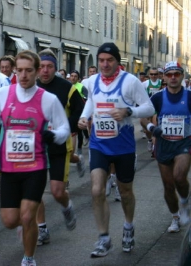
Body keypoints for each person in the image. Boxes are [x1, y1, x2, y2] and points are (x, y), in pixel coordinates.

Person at [0, 50, 70, 266]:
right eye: (19, 70)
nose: (23, 75)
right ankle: (25, 226)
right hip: (9, 168)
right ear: (15, 71)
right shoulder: (3, 94)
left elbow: (65, 128)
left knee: (27, 216)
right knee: (10, 221)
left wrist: (55, 136)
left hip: (35, 166)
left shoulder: (48, 99)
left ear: (37, 71)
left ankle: (28, 259)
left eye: (28, 71)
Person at [77, 42, 154, 257]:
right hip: (99, 144)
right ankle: (104, 238)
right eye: (101, 60)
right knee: (96, 190)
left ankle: (128, 226)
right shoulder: (92, 81)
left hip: (123, 146)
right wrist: (84, 117)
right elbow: (91, 101)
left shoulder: (130, 82)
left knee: (125, 191)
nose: (104, 64)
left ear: (117, 61)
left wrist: (128, 111)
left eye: (109, 60)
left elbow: (149, 107)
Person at [35, 48, 84, 246]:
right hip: (35, 146)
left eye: (49, 67)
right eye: (41, 67)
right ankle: (42, 229)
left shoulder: (67, 88)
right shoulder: (31, 86)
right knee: (35, 191)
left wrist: (62, 129)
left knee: (57, 191)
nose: (45, 71)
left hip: (58, 145)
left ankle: (66, 206)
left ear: (55, 68)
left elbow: (79, 113)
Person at [141, 61, 191, 233]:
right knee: (168, 186)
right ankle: (175, 217)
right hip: (164, 144)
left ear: (182, 76)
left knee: (179, 177)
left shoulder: (189, 96)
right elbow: (143, 118)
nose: (173, 77)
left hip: (184, 143)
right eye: (169, 75)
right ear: (164, 78)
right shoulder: (158, 98)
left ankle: (184, 201)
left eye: (176, 74)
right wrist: (152, 129)